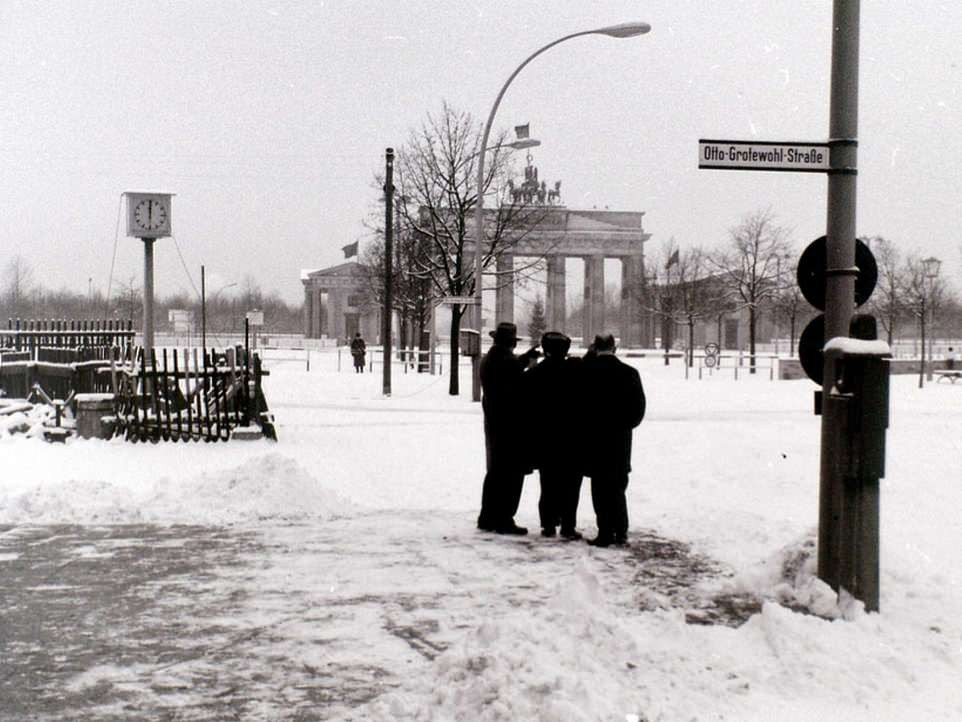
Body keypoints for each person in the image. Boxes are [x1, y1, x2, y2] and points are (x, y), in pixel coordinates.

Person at [581, 333, 646, 548]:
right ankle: (621, 530)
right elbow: (638, 411)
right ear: (614, 348)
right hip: (620, 441)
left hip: (595, 439)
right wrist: (623, 426)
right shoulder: (629, 373)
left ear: (595, 348)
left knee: (600, 489)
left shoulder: (587, 372)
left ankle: (605, 531)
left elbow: (578, 407)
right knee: (618, 487)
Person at [477, 321, 540, 535]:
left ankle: (487, 517)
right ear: (509, 343)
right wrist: (532, 368)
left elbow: (511, 369)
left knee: (495, 473)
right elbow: (519, 385)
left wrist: (525, 359)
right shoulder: (504, 361)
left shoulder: (492, 359)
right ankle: (504, 518)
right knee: (510, 475)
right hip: (510, 426)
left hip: (495, 423)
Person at [523, 331, 584, 540]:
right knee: (571, 484)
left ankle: (548, 524)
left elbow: (525, 405)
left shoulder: (535, 374)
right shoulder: (577, 372)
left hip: (545, 438)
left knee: (548, 483)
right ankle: (568, 525)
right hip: (572, 438)